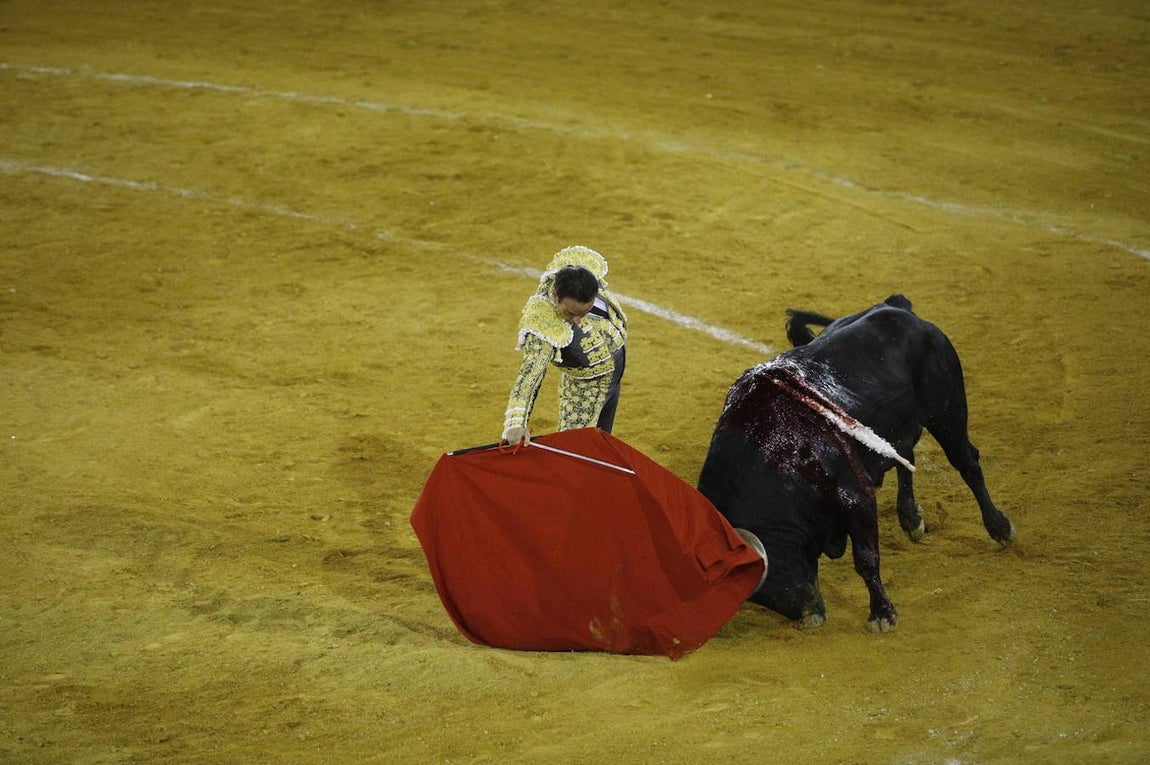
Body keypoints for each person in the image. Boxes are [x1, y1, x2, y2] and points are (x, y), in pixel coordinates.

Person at [501, 246, 628, 445]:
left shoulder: (581, 270)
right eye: (570, 313)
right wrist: (516, 422)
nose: (578, 320)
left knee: (603, 442)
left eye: (585, 312)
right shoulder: (542, 323)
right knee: (576, 450)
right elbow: (529, 375)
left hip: (616, 370)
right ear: (554, 296)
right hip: (585, 389)